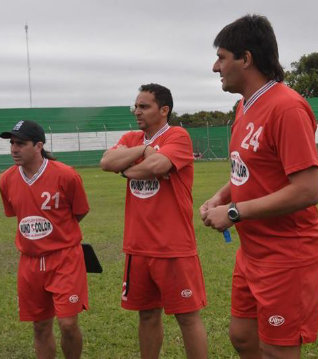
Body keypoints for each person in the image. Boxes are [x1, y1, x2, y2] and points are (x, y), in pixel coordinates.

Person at [200, 15, 318, 359]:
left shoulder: (287, 108)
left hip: (287, 255)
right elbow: (249, 169)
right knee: (242, 336)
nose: (216, 67)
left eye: (222, 57)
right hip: (252, 251)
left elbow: (307, 190)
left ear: (246, 58)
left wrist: (235, 212)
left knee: (276, 349)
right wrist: (221, 196)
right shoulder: (243, 107)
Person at [100, 83, 208, 359]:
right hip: (137, 247)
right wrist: (142, 151)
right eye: (135, 106)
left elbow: (157, 167)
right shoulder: (133, 137)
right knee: (147, 315)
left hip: (173, 248)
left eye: (144, 106)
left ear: (164, 110)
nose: (137, 111)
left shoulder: (178, 136)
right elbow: (107, 161)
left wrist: (126, 169)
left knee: (187, 317)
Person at [0, 120, 90, 359]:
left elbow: (80, 211)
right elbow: (17, 215)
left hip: (65, 259)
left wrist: (59, 235)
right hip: (29, 263)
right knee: (40, 326)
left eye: (21, 143)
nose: (14, 149)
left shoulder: (66, 175)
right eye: (12, 143)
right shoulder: (6, 180)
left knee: (68, 324)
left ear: (38, 146)